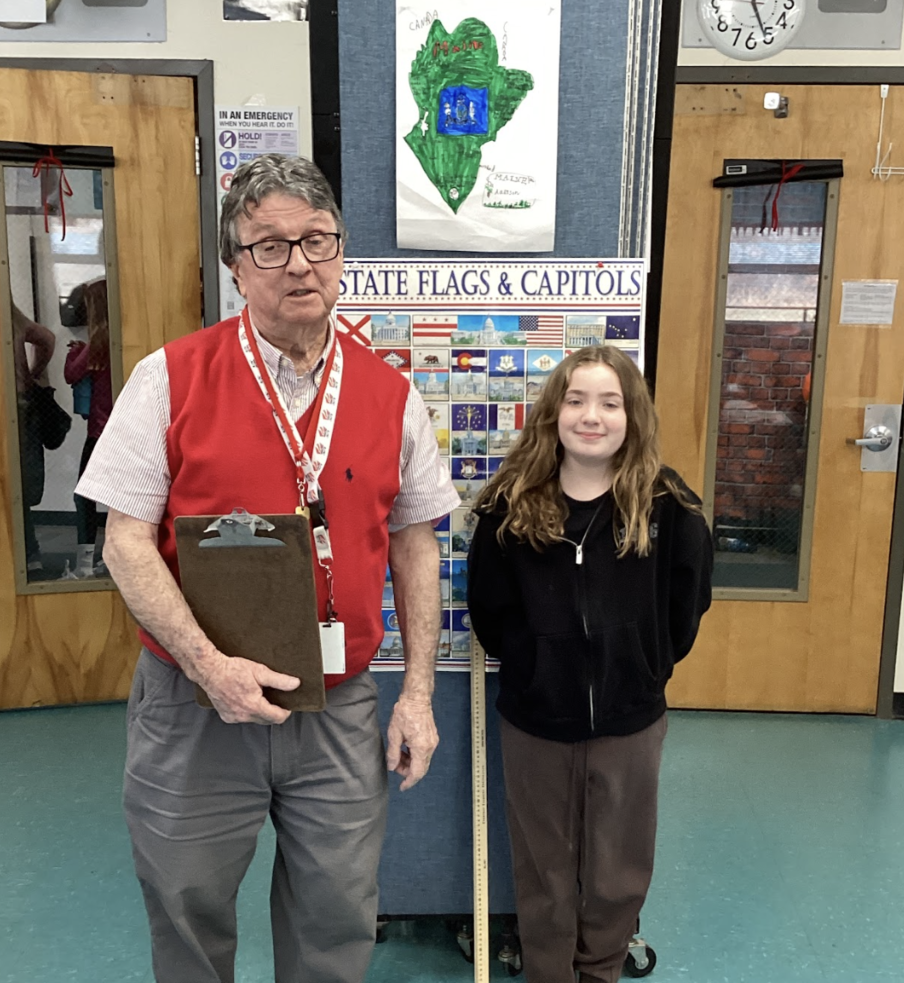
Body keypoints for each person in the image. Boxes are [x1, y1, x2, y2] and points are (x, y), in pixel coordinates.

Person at [75, 153, 460, 983]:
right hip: (196, 705)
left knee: (338, 912)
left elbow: (415, 538)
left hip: (339, 705)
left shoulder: (391, 394)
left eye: (317, 241)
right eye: (271, 246)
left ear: (342, 251)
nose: (300, 264)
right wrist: (209, 667)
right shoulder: (168, 378)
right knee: (187, 905)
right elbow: (125, 541)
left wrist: (419, 694)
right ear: (235, 266)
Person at [467, 346, 713, 983]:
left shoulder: (668, 508)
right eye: (576, 400)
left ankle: (600, 968)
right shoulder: (508, 506)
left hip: (630, 722)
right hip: (536, 720)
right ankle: (549, 972)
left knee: (617, 867)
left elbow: (688, 603)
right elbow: (490, 610)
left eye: (610, 402)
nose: (591, 416)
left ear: (632, 415)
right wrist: (531, 664)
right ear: (553, 413)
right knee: (544, 865)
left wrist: (647, 664)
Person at [63, 278, 112, 578]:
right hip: (124, 432)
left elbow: (71, 374)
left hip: (98, 432)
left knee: (84, 498)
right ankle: (118, 556)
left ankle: (84, 566)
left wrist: (74, 353)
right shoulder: (118, 339)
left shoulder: (97, 342)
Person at [12, 305, 55, 575]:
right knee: (21, 486)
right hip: (21, 406)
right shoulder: (11, 315)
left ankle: (16, 553)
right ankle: (30, 554)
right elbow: (47, 338)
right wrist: (33, 373)